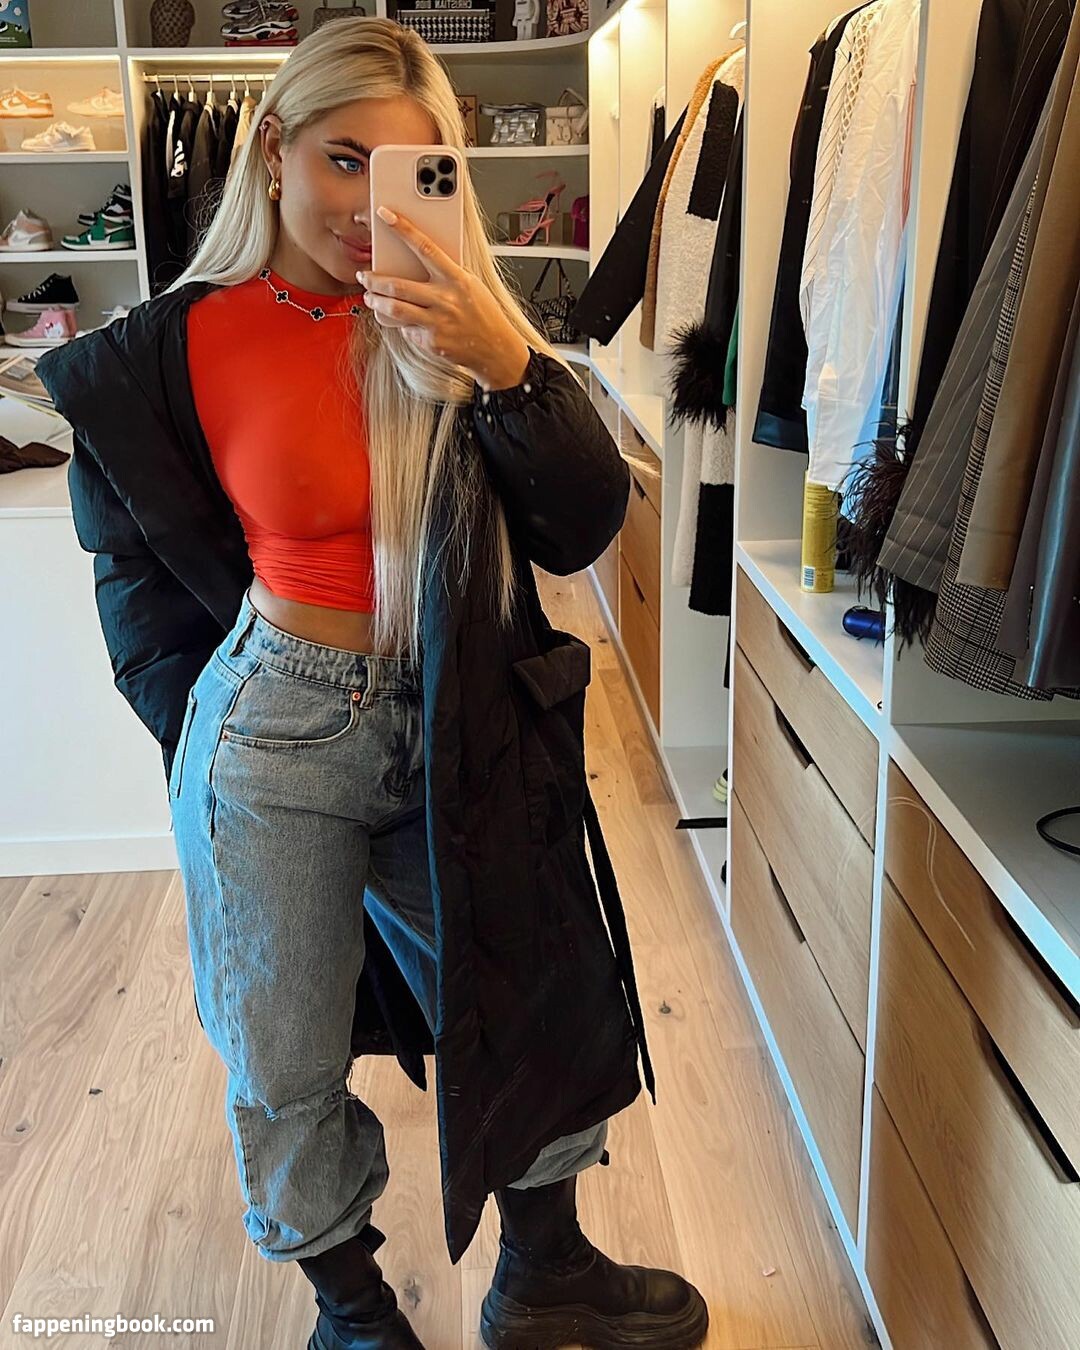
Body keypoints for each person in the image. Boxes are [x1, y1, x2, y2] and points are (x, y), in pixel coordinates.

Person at [36, 17, 708, 1350]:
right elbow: (132, 577)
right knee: (280, 1047)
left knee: (528, 989)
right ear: (273, 150)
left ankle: (547, 1274)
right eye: (344, 160)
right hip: (271, 726)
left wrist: (507, 364)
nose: (367, 207)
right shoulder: (167, 350)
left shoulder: (460, 330)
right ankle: (353, 1315)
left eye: (411, 170)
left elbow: (578, 527)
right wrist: (203, 738)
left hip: (457, 706)